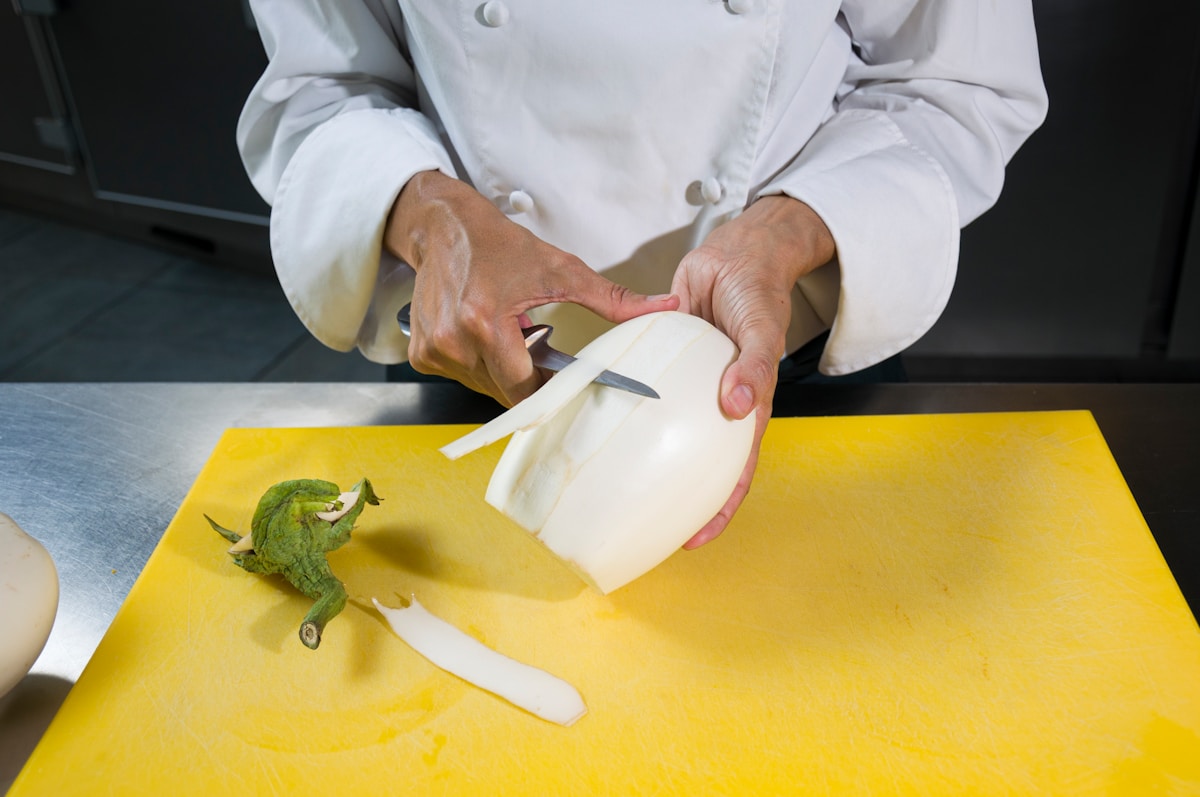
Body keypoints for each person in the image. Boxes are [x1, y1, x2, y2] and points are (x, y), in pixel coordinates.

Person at [236, 1, 1048, 547]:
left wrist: (787, 229)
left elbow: (952, 84)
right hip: (481, 356)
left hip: (779, 355)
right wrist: (430, 213)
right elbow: (322, 87)